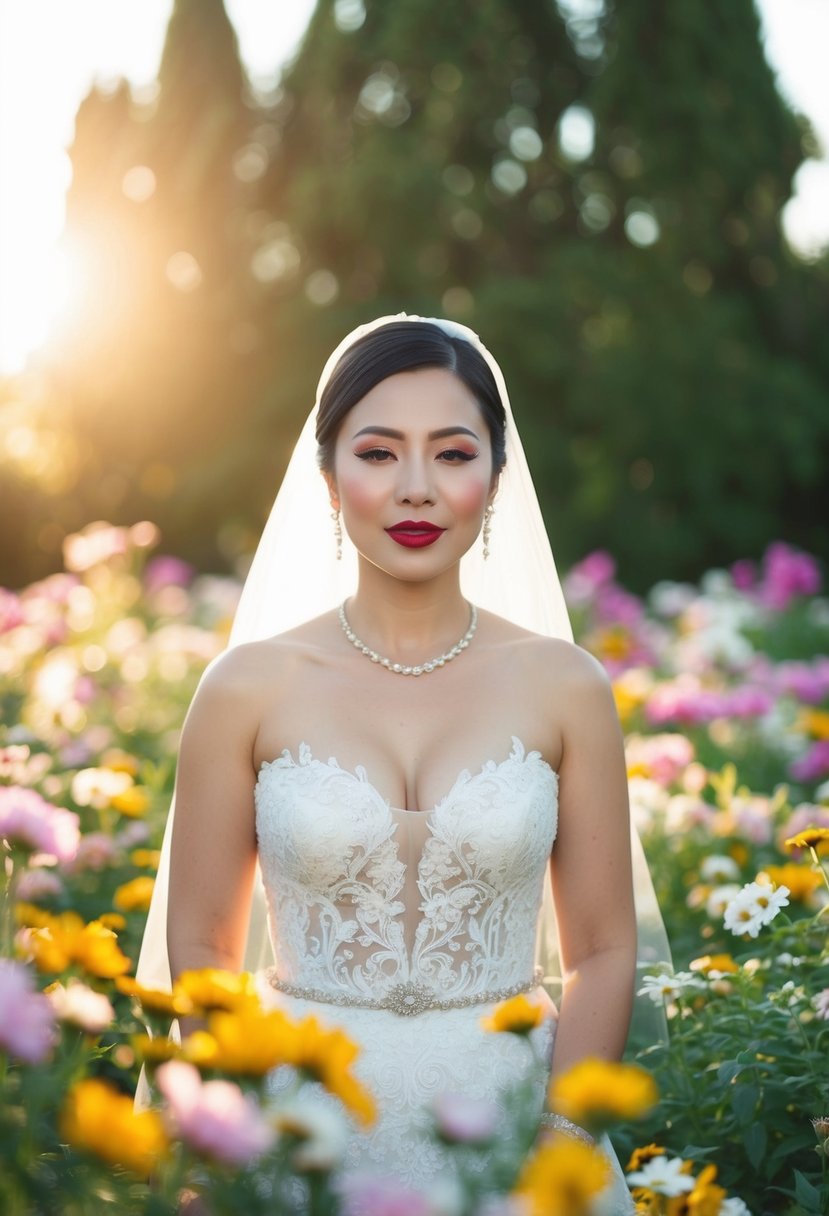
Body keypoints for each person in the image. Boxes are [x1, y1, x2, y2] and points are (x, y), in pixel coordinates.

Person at [137, 315, 668, 1212]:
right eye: (378, 453)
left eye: (453, 455)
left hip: (514, 1132)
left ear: (496, 476)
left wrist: (559, 1146)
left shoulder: (565, 686)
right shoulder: (246, 689)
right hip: (304, 1129)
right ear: (327, 475)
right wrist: (250, 1130)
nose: (415, 489)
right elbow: (200, 947)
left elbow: (606, 949)